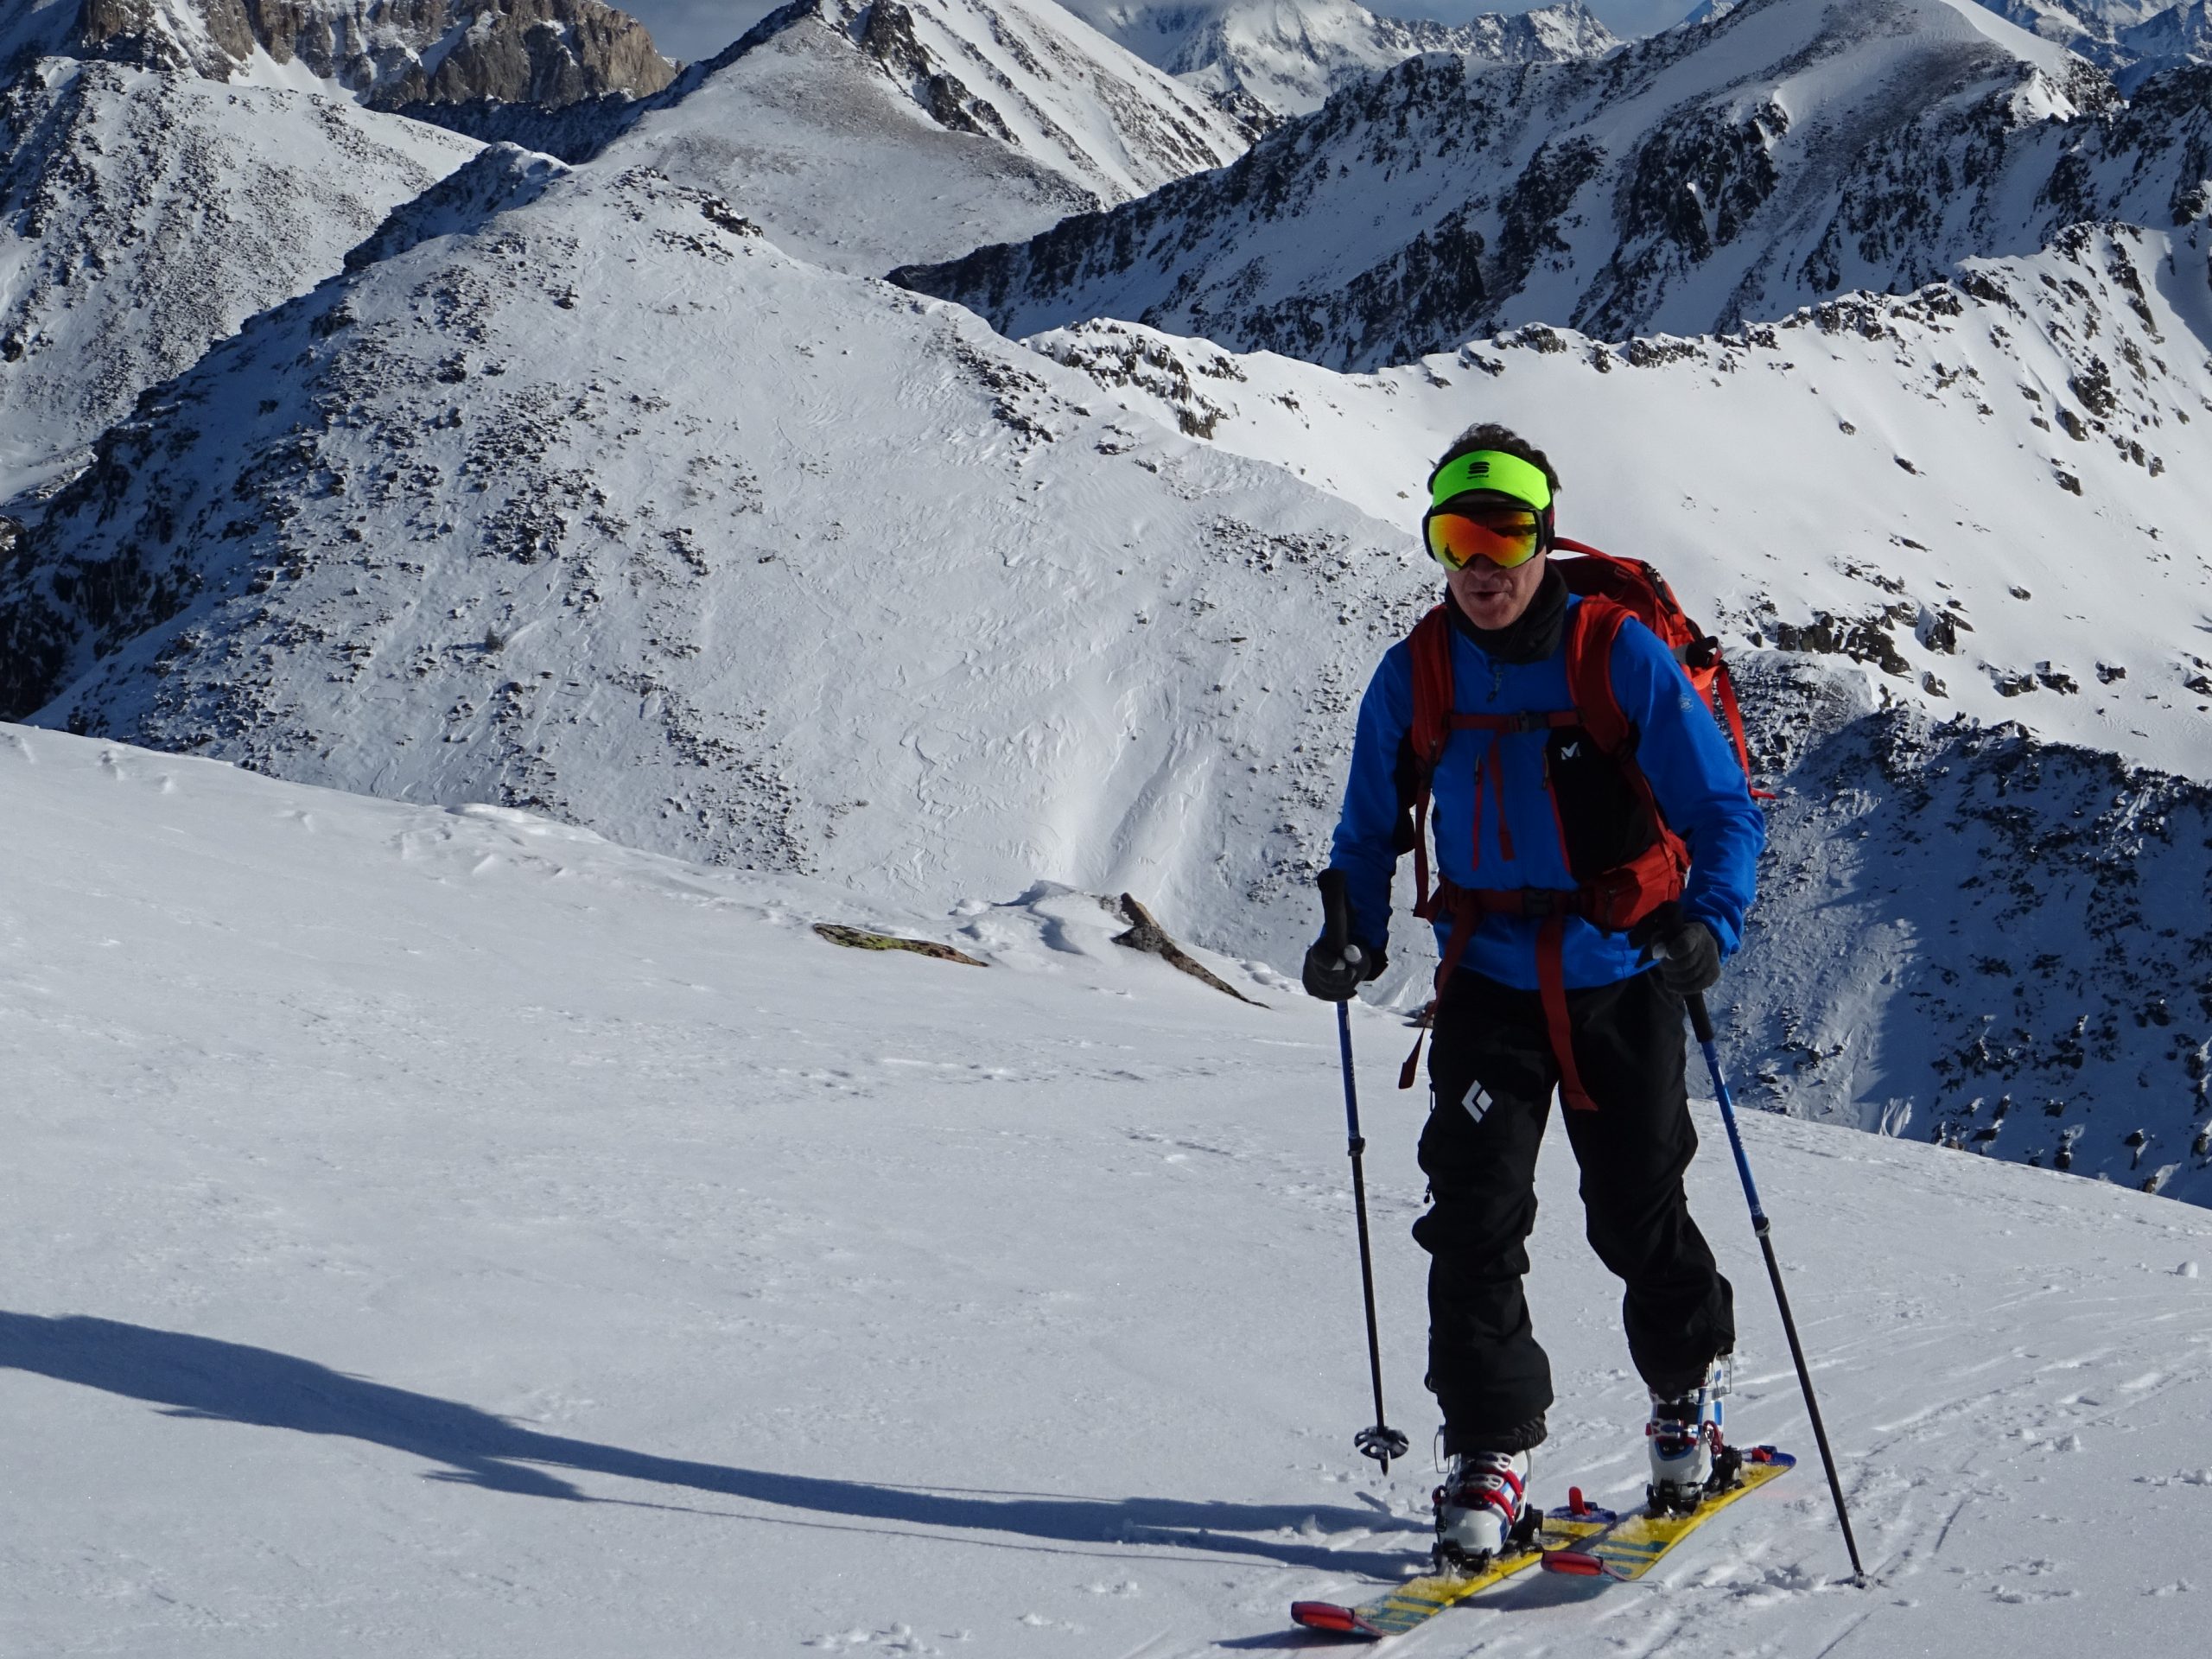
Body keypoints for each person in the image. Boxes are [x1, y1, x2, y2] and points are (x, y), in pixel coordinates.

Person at [1300, 423, 1764, 1569]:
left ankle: (1685, 1391)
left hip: (1622, 980)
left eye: (1503, 532)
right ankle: (1489, 1452)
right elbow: (1370, 830)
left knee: (1635, 1211)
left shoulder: (1617, 655)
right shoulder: (1419, 671)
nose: (1482, 563)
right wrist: (1348, 934)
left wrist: (1710, 921)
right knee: (1471, 1215)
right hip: (1490, 983)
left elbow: (1722, 812)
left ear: (1542, 536)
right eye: (1457, 535)